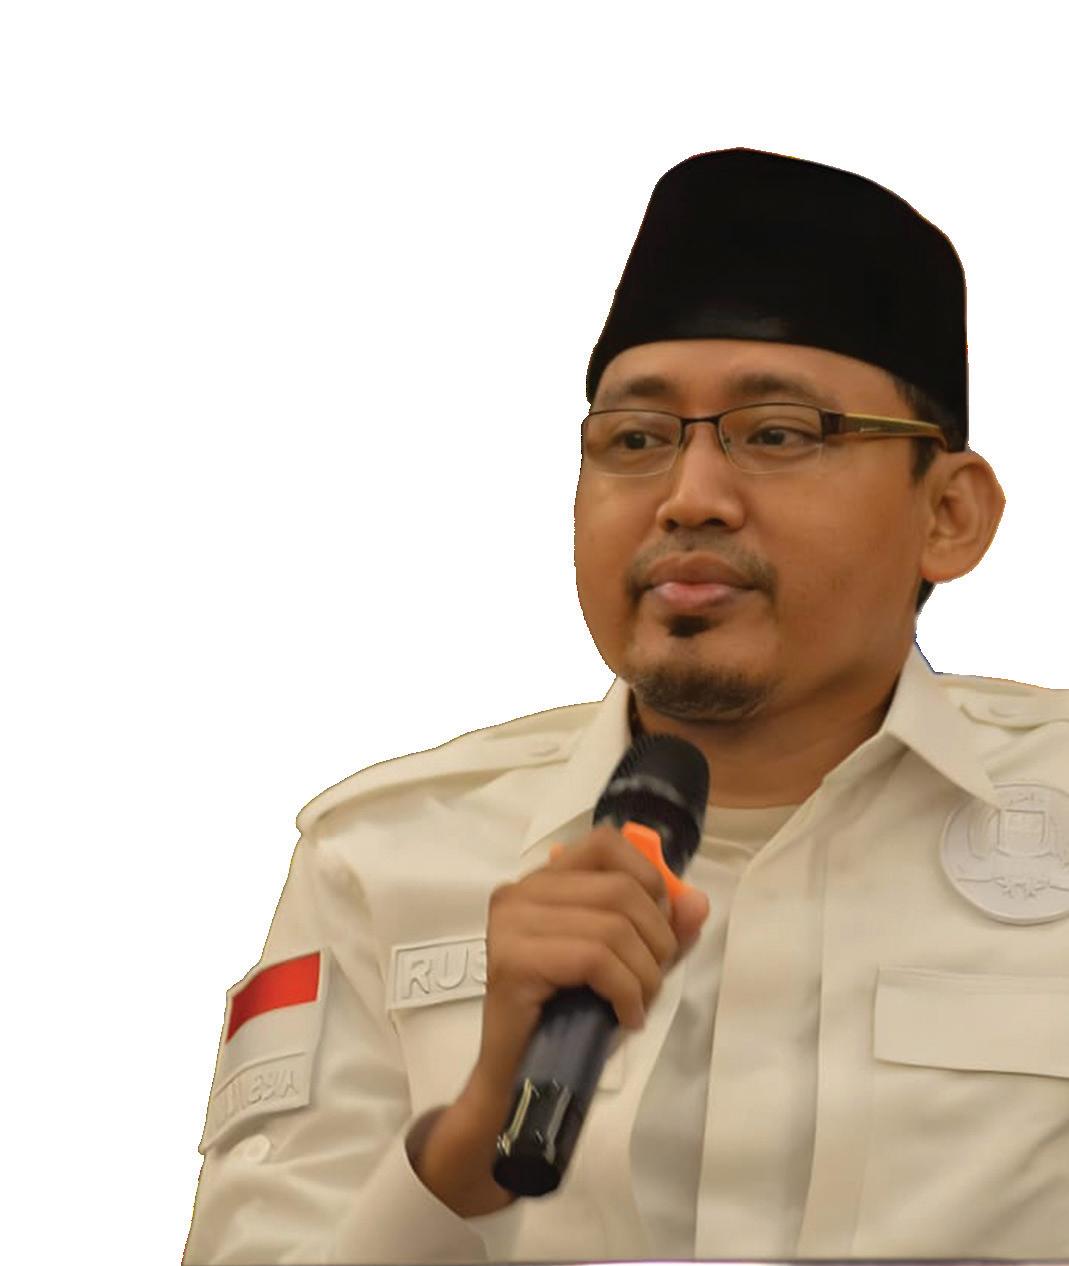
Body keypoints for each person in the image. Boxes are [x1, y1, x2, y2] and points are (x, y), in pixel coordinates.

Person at [183, 148, 1069, 1264]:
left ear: (948, 515)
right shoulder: (383, 859)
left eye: (778, 434)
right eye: (635, 442)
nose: (688, 497)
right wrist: (462, 1148)